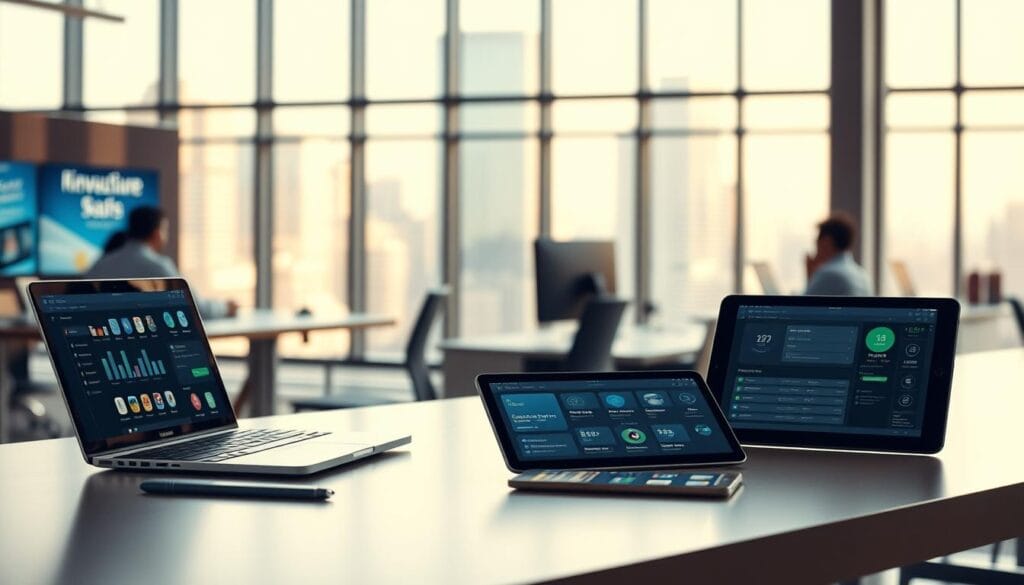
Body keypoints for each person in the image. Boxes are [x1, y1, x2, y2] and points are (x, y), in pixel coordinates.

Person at [87, 206, 239, 318]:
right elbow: (197, 308)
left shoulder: (101, 264)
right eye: (165, 230)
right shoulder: (158, 267)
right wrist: (226, 307)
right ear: (157, 234)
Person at [804, 212, 872, 296]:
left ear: (826, 242)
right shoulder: (863, 275)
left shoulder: (828, 274)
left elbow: (802, 306)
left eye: (817, 241)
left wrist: (810, 276)